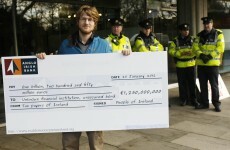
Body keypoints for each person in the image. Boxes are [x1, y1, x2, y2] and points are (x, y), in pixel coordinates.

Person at [36, 5, 129, 150]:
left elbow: (113, 73)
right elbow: (56, 73)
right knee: (69, 144)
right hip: (71, 104)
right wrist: (42, 61)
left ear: (95, 23)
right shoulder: (65, 45)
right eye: (83, 19)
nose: (87, 22)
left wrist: (124, 57)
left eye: (90, 19)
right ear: (78, 22)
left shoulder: (104, 45)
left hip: (95, 103)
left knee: (96, 145)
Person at [193, 17, 225, 112]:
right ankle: (204, 103)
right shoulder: (199, 35)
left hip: (213, 65)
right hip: (202, 64)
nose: (206, 25)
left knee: (214, 86)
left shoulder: (218, 34)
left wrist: (210, 56)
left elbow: (220, 48)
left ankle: (216, 104)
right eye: (205, 24)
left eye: (208, 23)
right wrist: (201, 55)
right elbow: (194, 47)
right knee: (203, 85)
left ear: (212, 23)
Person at [169, 23, 199, 107]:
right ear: (180, 31)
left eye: (187, 30)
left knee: (192, 83)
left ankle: (193, 99)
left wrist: (191, 52)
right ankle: (183, 99)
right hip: (180, 65)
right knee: (182, 84)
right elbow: (171, 51)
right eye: (184, 30)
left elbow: (197, 48)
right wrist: (179, 53)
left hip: (191, 64)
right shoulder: (175, 40)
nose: (186, 32)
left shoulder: (193, 39)